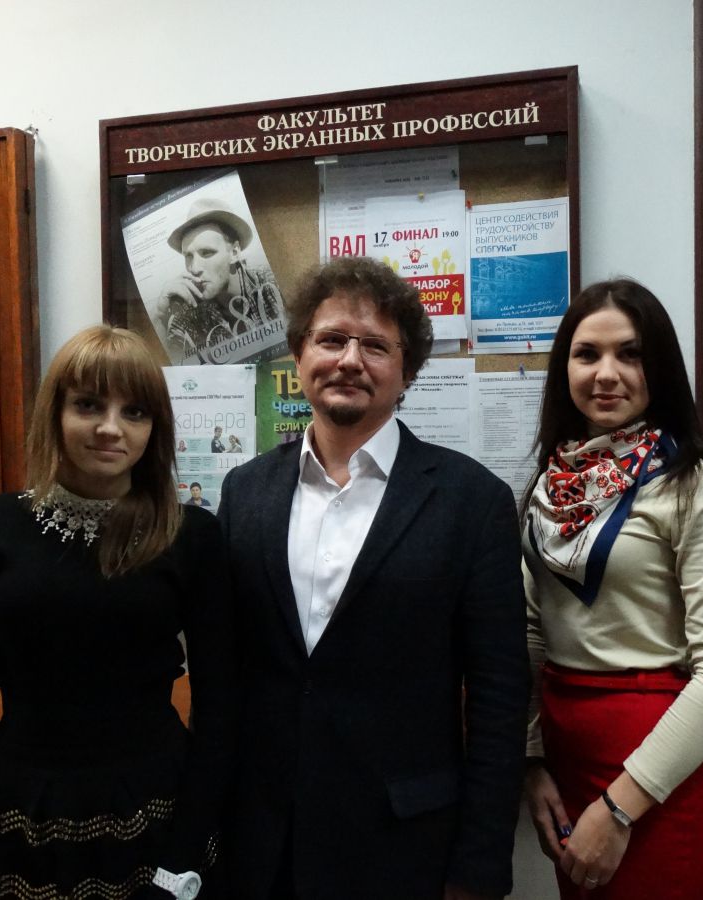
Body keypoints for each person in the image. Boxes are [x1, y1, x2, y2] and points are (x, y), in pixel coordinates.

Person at [217, 257, 529, 900]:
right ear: (299, 354)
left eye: (376, 346)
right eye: (332, 339)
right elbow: (228, 673)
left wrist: (478, 867)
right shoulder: (244, 492)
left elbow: (499, 697)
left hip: (402, 848)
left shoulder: (472, 502)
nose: (350, 360)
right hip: (261, 846)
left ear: (407, 371)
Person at [0, 325, 238, 900]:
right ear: (56, 412)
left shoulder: (191, 535)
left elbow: (220, 712)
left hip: (157, 812)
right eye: (89, 404)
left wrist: (181, 861)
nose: (110, 428)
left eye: (135, 411)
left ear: (155, 428)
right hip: (19, 812)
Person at [522, 279, 703, 899]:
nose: (607, 373)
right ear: (564, 367)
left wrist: (620, 807)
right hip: (564, 761)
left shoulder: (692, 486)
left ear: (661, 368)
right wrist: (532, 759)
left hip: (653, 775)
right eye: (587, 354)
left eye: (631, 354)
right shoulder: (551, 486)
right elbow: (532, 631)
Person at [154, 197, 282, 359]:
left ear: (234, 252)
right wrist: (161, 316)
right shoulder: (190, 311)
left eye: (207, 253)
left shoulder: (271, 282)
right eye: (188, 256)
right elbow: (176, 360)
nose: (194, 268)